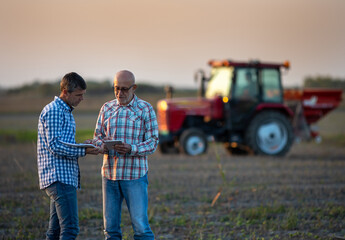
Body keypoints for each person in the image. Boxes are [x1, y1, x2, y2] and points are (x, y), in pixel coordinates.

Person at [92, 70, 159, 240]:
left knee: (141, 228)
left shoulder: (145, 109)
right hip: (110, 175)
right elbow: (97, 137)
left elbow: (153, 142)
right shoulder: (106, 108)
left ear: (134, 88)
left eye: (124, 89)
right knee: (110, 230)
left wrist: (132, 148)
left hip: (134, 176)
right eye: (116, 88)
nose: (119, 93)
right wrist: (102, 145)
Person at [37, 72, 101, 240]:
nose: (82, 99)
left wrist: (84, 144)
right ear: (65, 92)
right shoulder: (55, 111)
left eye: (83, 95)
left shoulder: (64, 111)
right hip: (59, 178)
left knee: (55, 231)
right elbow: (55, 146)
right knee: (70, 229)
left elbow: (63, 143)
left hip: (62, 177)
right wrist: (84, 150)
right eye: (78, 95)